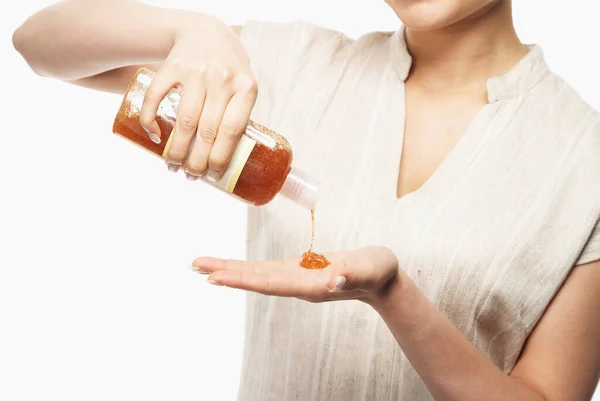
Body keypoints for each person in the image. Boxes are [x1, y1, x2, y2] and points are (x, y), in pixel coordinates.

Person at [13, 0, 600, 400]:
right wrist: (189, 31)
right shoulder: (294, 62)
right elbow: (37, 44)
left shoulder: (584, 159)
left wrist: (394, 297)